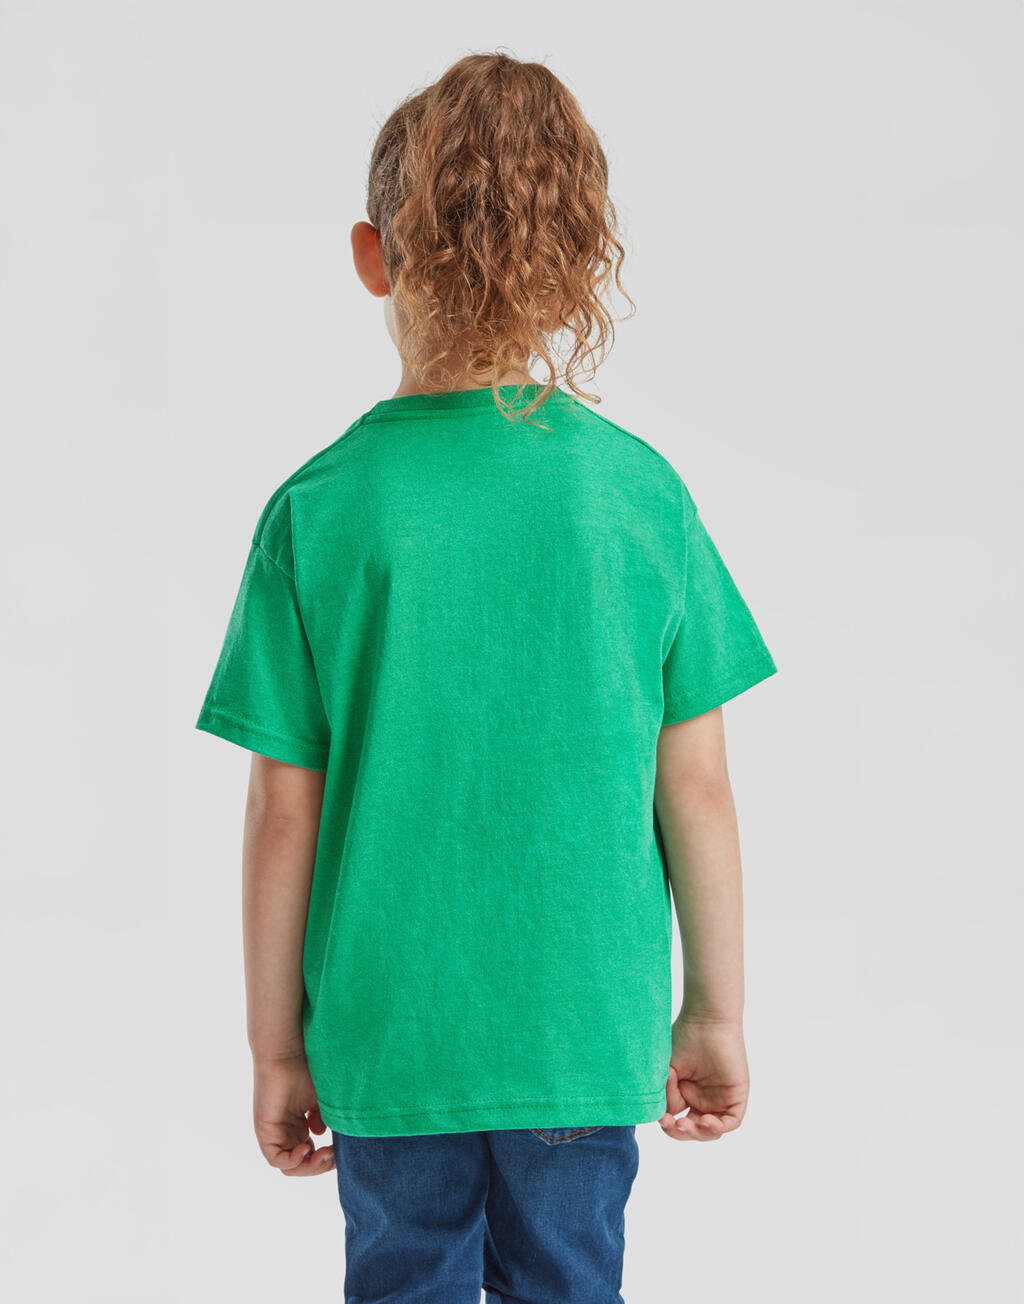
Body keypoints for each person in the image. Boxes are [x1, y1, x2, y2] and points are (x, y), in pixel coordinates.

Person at [195, 50, 778, 1304]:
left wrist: (274, 1043)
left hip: (391, 1035)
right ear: (577, 262)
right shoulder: (640, 498)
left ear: (374, 256)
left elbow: (284, 809)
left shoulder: (320, 508)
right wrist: (713, 1011)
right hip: (582, 1028)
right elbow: (697, 788)